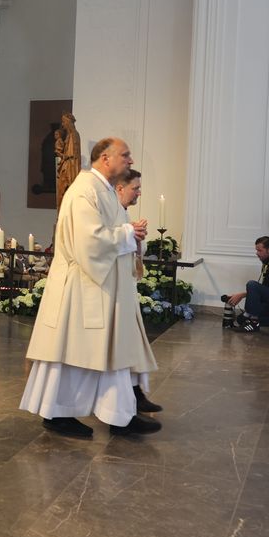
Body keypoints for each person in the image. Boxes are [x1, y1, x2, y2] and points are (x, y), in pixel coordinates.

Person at [20, 138, 159, 439]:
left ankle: (120, 414)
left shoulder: (105, 190)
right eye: (125, 155)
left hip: (104, 287)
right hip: (82, 289)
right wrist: (126, 233)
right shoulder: (84, 190)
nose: (130, 160)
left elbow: (115, 233)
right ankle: (58, 413)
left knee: (108, 354)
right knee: (72, 358)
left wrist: (131, 235)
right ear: (105, 159)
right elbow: (89, 242)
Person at [113, 169, 164, 413]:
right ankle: (130, 398)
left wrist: (137, 238)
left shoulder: (123, 212)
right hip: (114, 293)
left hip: (126, 287)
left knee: (133, 348)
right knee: (124, 350)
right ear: (120, 188)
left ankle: (136, 394)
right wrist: (130, 234)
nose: (139, 192)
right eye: (136, 188)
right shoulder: (113, 211)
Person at [223, 236, 269, 331]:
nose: (257, 253)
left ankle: (253, 322)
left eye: (259, 250)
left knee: (252, 285)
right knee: (241, 320)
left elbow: (266, 290)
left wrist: (242, 295)